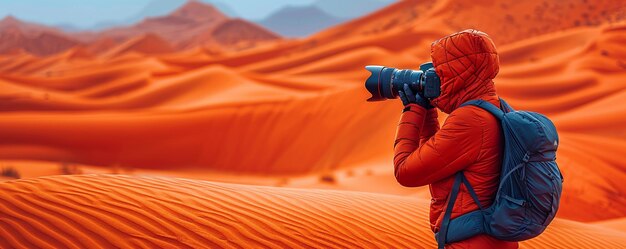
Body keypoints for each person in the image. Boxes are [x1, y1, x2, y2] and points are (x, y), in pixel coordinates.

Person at [393, 29, 519, 249]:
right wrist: (428, 112)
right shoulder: (496, 108)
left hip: (472, 242)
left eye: (441, 69)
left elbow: (405, 171)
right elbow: (440, 158)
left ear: (460, 71)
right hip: (493, 239)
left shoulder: (471, 120)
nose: (435, 75)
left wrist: (412, 110)